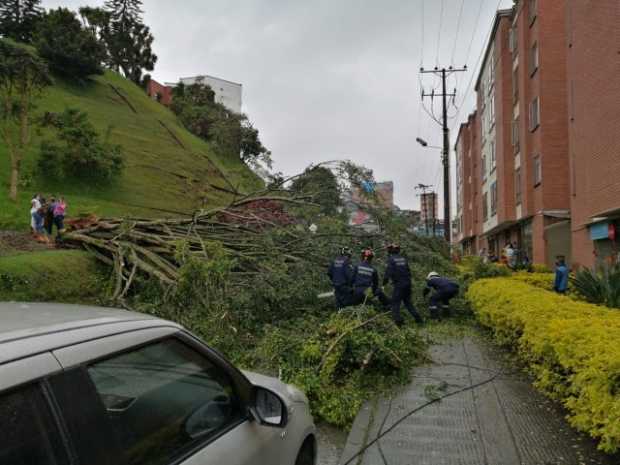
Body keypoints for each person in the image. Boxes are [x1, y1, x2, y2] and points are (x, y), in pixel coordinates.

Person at [383, 243, 423, 326]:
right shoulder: (403, 259)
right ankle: (419, 320)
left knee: (395, 303)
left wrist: (383, 284)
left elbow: (387, 273)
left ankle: (399, 323)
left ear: (390, 251)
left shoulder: (391, 259)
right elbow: (408, 272)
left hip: (399, 285)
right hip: (407, 284)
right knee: (408, 303)